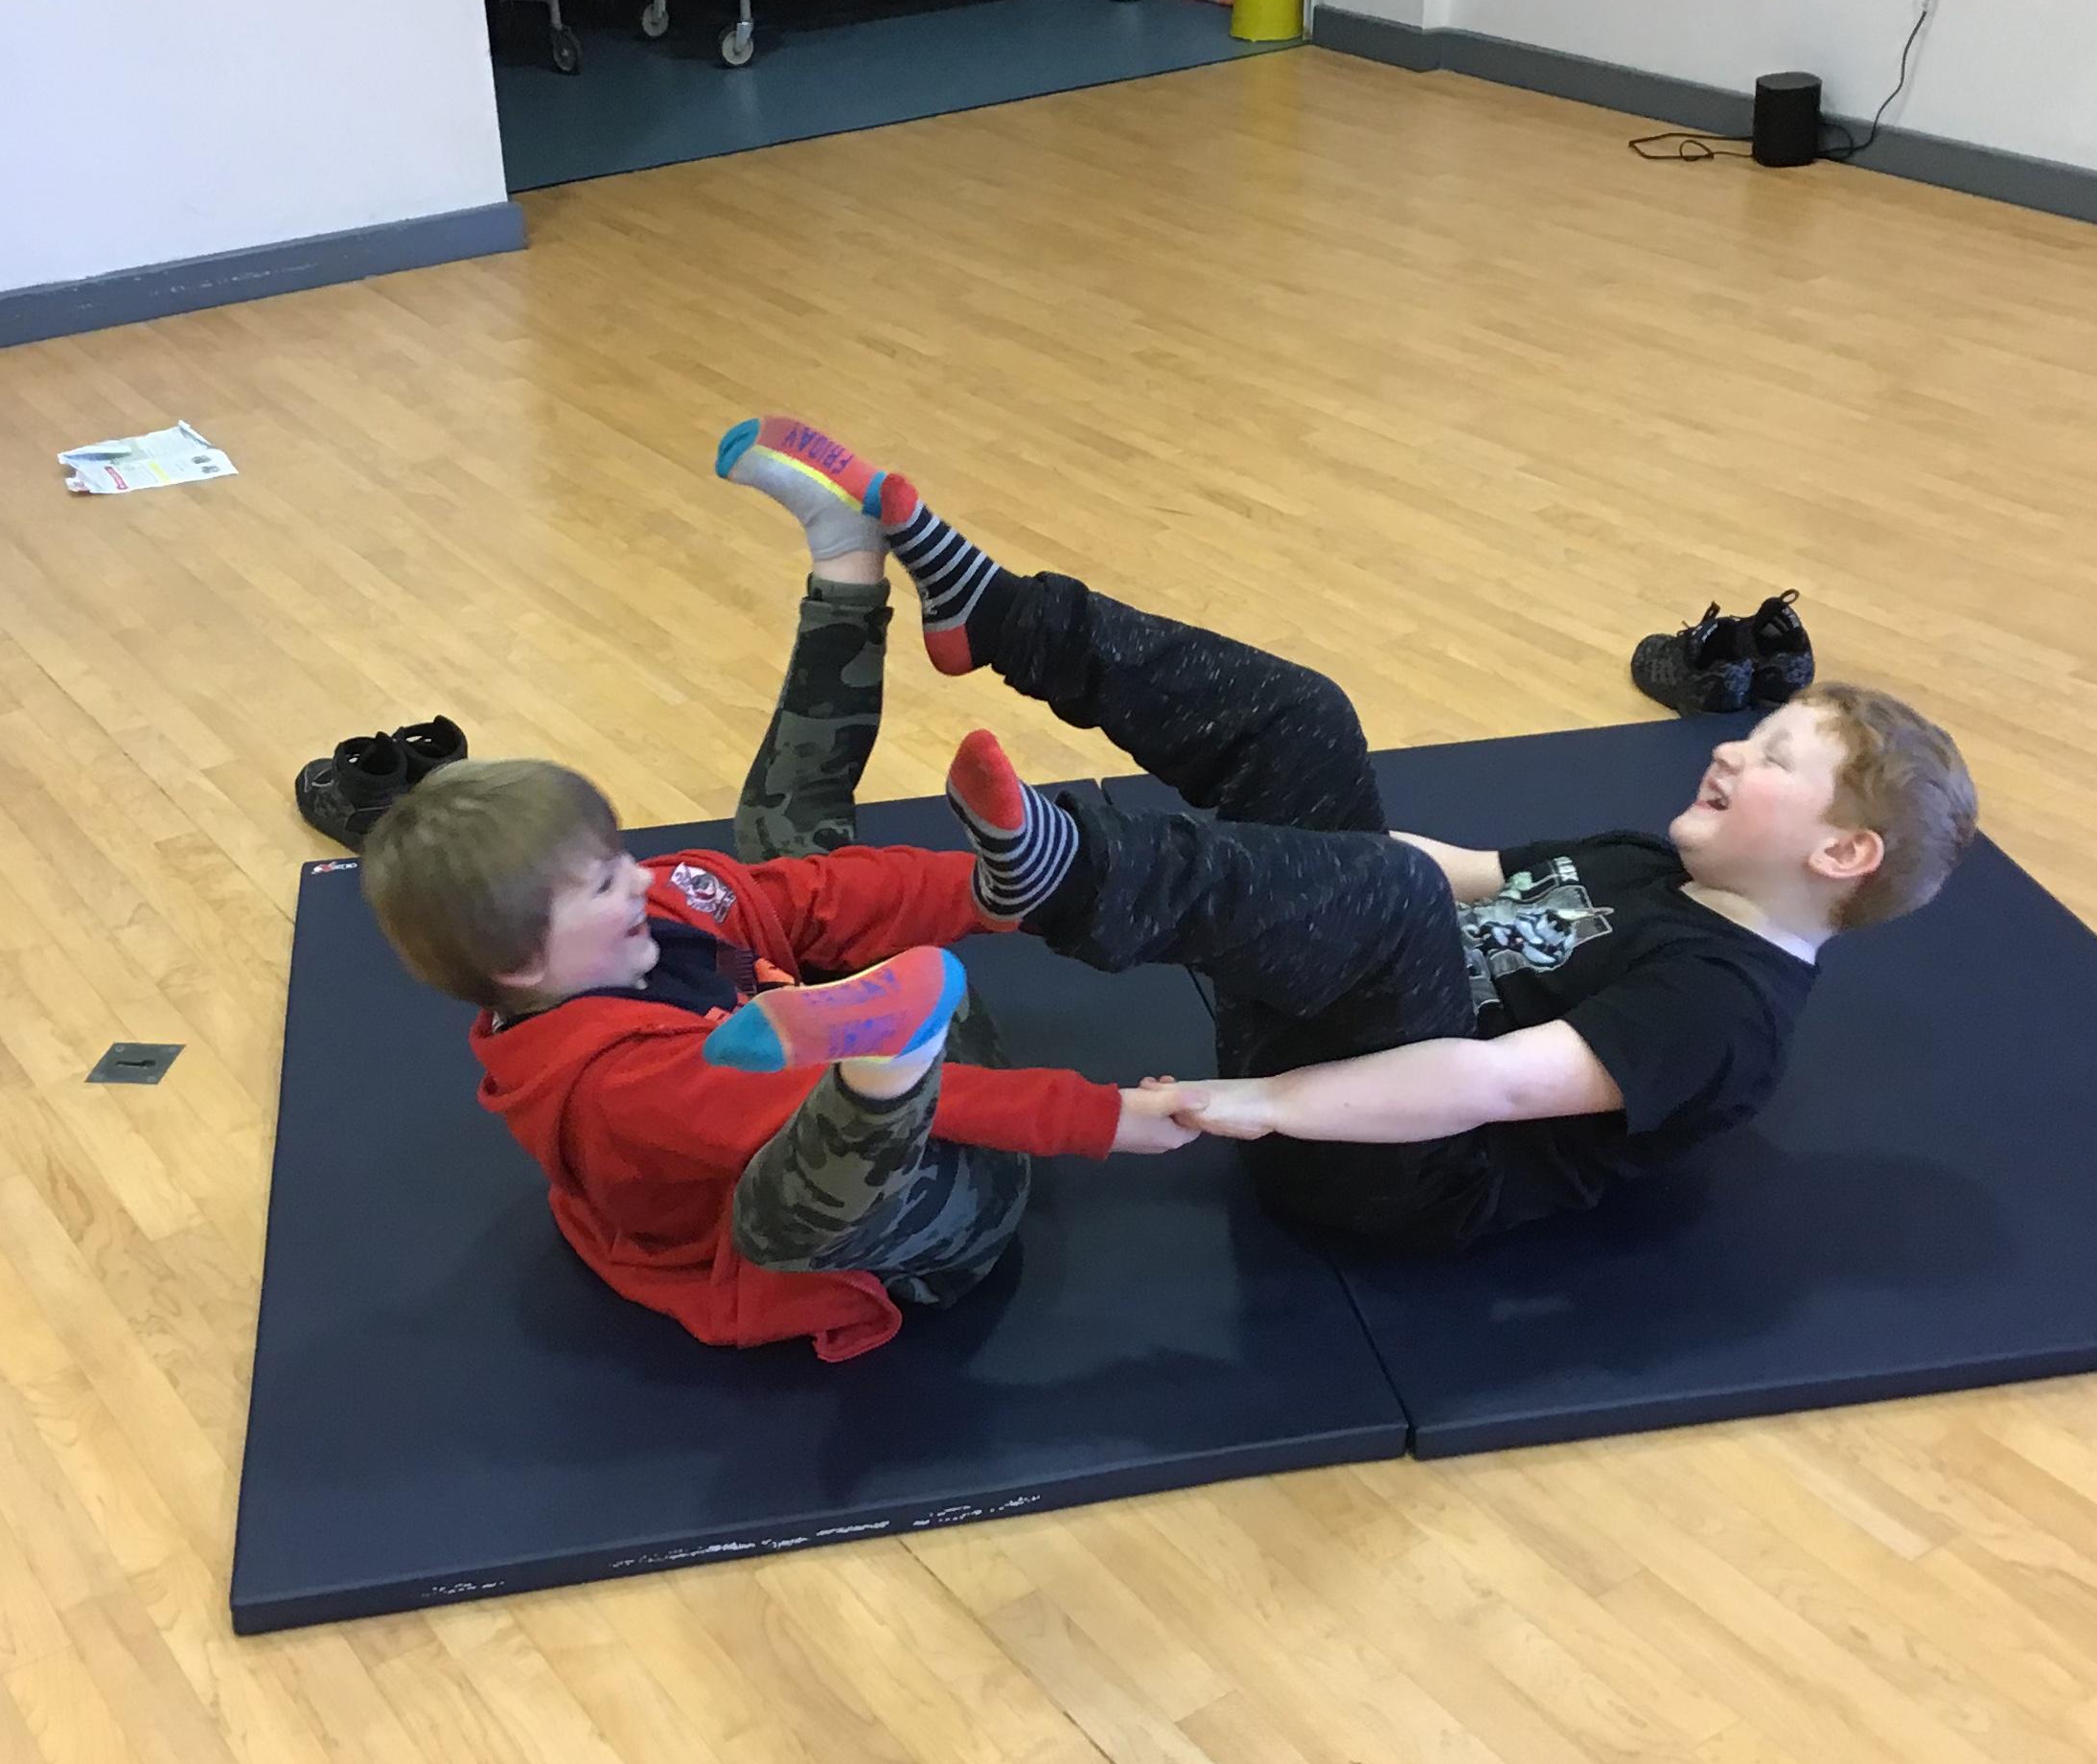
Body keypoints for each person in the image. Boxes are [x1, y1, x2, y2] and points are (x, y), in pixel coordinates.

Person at [711, 415, 1979, 1253]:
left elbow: (1486, 1084)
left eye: (1773, 761)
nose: (1729, 748)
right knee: (1310, 725)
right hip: (1342, 1018)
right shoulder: (1661, 867)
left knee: (1392, 903)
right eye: (1753, 736)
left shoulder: (1724, 1014)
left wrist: (1259, 1104)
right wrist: (1306, 845)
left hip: (1391, 1166)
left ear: (1842, 854)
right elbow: (1459, 870)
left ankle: (1074, 873)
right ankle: (996, 614)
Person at [357, 427, 1196, 1362]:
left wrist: (989, 893)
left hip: (852, 1041)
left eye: (618, 856)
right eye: (603, 883)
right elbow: (944, 1107)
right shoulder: (625, 1086)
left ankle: (846, 562)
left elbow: (813, 893)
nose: (639, 877)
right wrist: (1105, 1118)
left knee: (775, 841)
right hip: (941, 1223)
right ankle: (883, 1061)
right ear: (524, 962)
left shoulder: (655, 907)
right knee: (784, 1195)